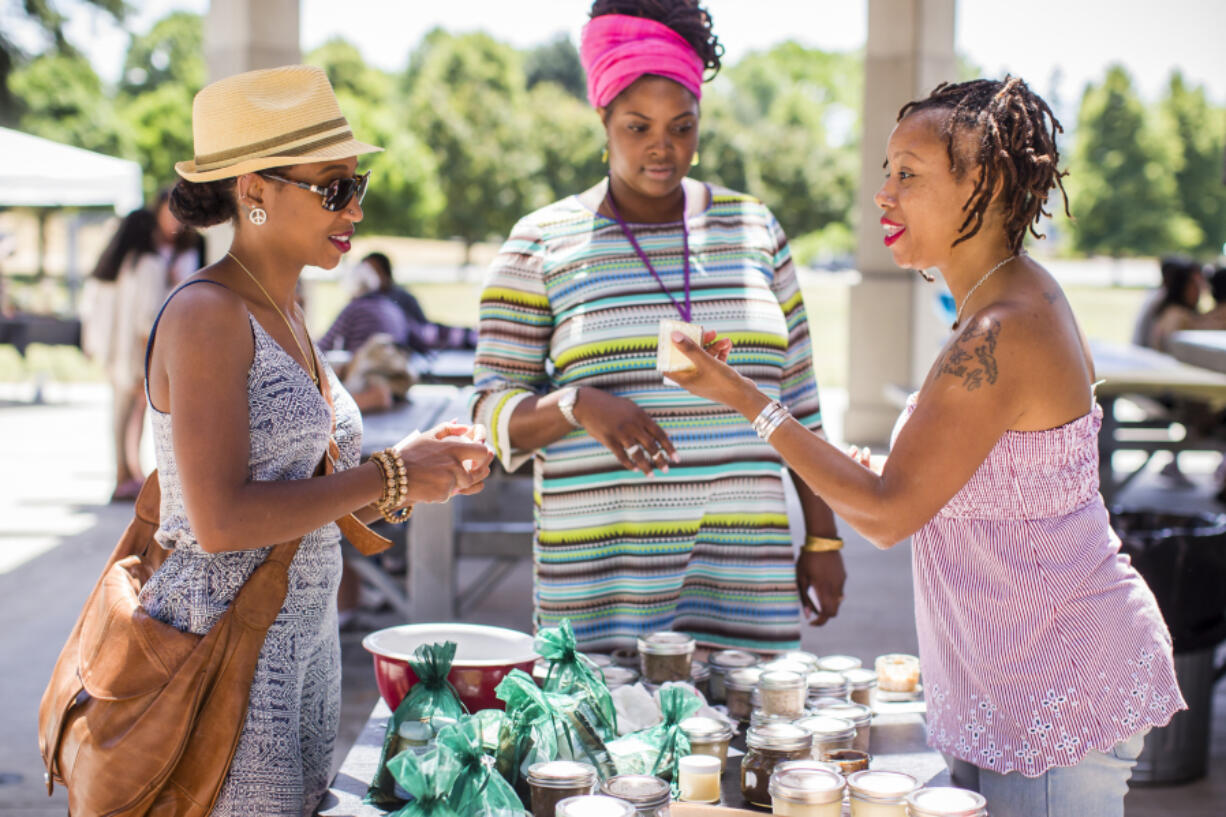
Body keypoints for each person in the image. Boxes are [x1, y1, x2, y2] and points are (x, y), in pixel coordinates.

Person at [666, 77, 1185, 816]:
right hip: (1011, 679)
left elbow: (886, 515)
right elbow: (957, 476)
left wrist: (744, 397)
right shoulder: (1002, 302)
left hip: (1057, 690)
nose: (883, 195)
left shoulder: (1002, 328)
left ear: (991, 183)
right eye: (887, 171)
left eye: (909, 175)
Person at [144, 65, 493, 816]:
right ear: (254, 189)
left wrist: (415, 462)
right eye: (333, 187)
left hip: (292, 639)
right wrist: (392, 475)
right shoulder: (208, 313)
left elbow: (302, 473)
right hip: (223, 650)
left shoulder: (287, 305)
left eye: (357, 183)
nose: (356, 207)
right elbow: (221, 519)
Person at [471, 0, 845, 654]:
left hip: (742, 571)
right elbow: (488, 414)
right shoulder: (541, 241)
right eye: (638, 126)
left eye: (682, 126)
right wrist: (576, 404)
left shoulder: (754, 227)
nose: (662, 147)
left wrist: (823, 534)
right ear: (603, 118)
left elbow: (801, 403)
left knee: (746, 746)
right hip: (600, 582)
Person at [82, 189, 203, 501]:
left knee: (126, 414)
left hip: (127, 351)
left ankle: (128, 474)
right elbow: (146, 319)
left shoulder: (135, 262)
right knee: (134, 414)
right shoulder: (149, 262)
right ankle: (129, 476)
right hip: (140, 351)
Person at [364, 250, 478, 351]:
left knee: (456, 335)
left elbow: (423, 328)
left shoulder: (401, 296)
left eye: (374, 271)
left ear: (386, 273)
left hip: (421, 336)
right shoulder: (363, 302)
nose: (368, 276)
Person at [1140, 256, 1205, 352]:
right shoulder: (1176, 315)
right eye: (1195, 285)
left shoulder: (1164, 304)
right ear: (1182, 287)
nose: (1199, 291)